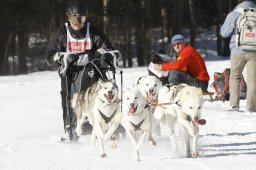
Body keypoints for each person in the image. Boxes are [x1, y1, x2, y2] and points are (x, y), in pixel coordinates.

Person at [45, 0, 114, 141]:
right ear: (68, 18)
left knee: (99, 96)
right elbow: (49, 56)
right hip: (70, 72)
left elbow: (109, 50)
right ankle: (70, 129)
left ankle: (106, 126)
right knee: (69, 99)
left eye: (80, 19)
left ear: (86, 17)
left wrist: (104, 55)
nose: (77, 23)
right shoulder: (61, 34)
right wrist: (59, 57)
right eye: (73, 18)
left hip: (91, 70)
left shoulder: (94, 32)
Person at [220, 0, 256, 112]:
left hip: (237, 51)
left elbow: (224, 32)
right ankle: (252, 108)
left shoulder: (235, 13)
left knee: (235, 77)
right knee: (253, 80)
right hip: (254, 51)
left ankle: (234, 105)